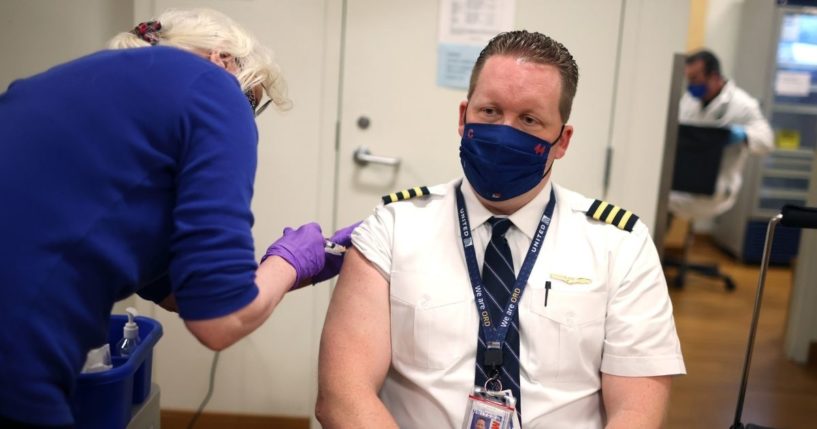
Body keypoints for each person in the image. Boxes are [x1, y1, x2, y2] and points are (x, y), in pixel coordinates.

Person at [0, 8, 356, 428]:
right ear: (223, 59)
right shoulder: (213, 86)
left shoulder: (63, 86)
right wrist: (291, 260)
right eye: (249, 103)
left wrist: (283, 274)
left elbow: (180, 293)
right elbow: (219, 322)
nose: (244, 118)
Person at [316, 30, 685, 428]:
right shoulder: (392, 227)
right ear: (463, 117)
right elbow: (342, 396)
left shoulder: (621, 246)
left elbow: (636, 412)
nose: (505, 132)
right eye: (490, 112)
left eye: (529, 119)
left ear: (562, 141)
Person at [670, 49, 774, 219]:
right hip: (685, 179)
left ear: (714, 76)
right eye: (689, 79)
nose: (691, 85)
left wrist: (743, 135)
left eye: (695, 78)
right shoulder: (689, 99)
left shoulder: (742, 104)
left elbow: (767, 141)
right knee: (656, 200)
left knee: (659, 203)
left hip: (718, 187)